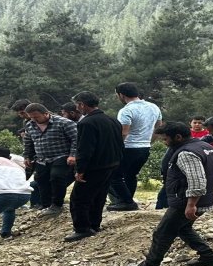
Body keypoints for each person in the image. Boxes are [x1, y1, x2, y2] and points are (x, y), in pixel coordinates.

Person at [122, 123, 213, 266]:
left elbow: (197, 181)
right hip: (204, 198)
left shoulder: (186, 153)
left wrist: (191, 205)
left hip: (186, 201)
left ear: (178, 137)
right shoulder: (204, 146)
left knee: (162, 233)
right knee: (183, 228)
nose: (164, 142)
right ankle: (210, 256)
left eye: (165, 139)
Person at [66, 91, 123, 241]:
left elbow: (85, 149)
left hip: (95, 167)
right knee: (99, 195)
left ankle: (82, 228)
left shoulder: (86, 123)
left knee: (79, 198)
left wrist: (80, 170)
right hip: (111, 164)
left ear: (81, 104)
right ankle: (94, 224)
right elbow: (120, 143)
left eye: (78, 106)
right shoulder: (112, 120)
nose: (78, 109)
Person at [107, 83, 162, 211]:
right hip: (145, 147)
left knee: (114, 176)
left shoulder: (126, 110)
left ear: (121, 94)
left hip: (129, 147)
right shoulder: (154, 107)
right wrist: (150, 141)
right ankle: (126, 200)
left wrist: (115, 148)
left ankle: (127, 202)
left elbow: (124, 132)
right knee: (131, 175)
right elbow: (158, 126)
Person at [22, 103, 78, 216]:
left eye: (37, 117)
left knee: (57, 177)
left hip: (61, 155)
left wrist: (73, 155)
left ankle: (57, 205)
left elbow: (76, 139)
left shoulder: (64, 123)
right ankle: (46, 204)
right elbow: (28, 142)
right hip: (41, 158)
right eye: (31, 117)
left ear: (46, 113)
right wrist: (27, 156)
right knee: (40, 179)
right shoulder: (30, 125)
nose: (34, 119)